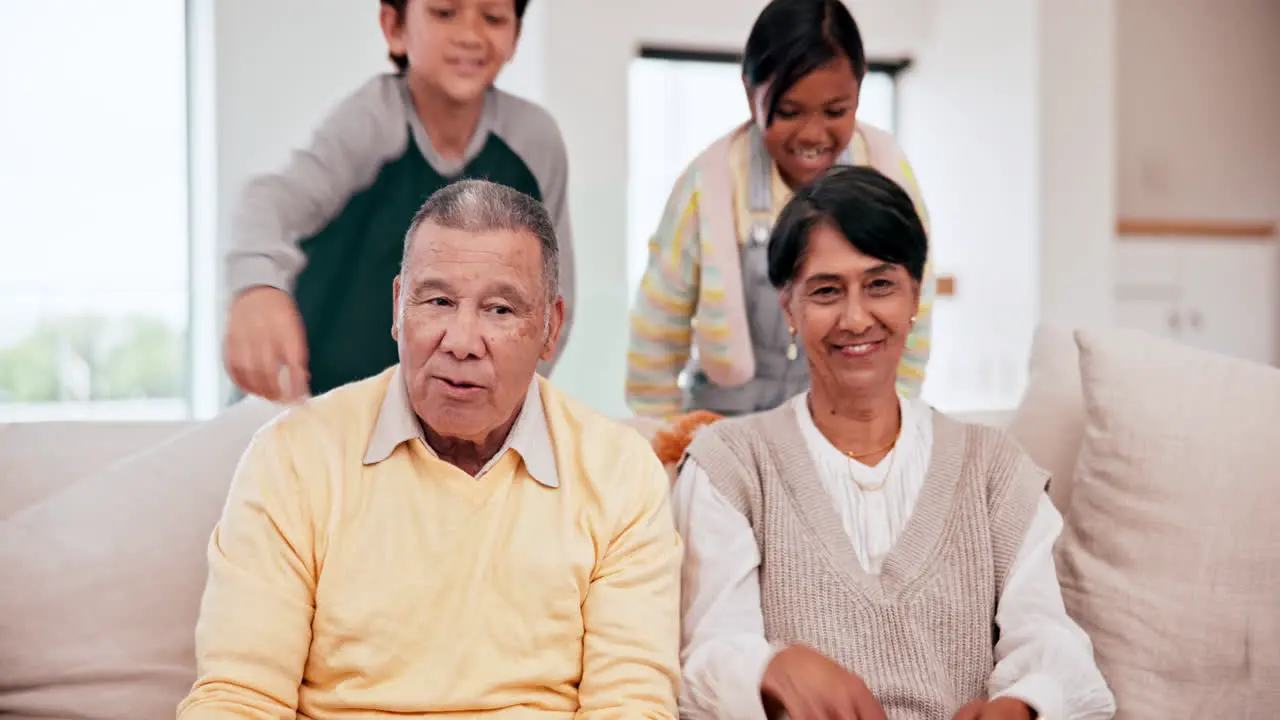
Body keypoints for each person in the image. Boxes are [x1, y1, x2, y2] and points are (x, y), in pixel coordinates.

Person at [179, 181, 679, 719]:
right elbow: (239, 697)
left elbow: (631, 705)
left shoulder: (620, 472)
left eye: (500, 310)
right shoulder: (293, 457)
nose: (461, 342)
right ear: (399, 306)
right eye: (438, 301)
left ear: (550, 328)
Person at [672, 167, 1116, 720]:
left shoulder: (994, 469)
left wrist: (1025, 706)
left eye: (880, 285)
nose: (856, 319)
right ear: (788, 309)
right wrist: (767, 670)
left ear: (914, 297)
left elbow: (1057, 652)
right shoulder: (729, 465)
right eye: (826, 291)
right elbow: (703, 662)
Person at [223, 0, 575, 403]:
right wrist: (257, 287)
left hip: (440, 419)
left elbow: (552, 293)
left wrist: (505, 400)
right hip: (312, 403)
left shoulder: (534, 141)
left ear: (515, 37)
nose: (471, 36)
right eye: (445, 13)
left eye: (493, 18)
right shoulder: (372, 120)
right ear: (394, 26)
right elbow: (268, 201)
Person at [626, 0, 933, 419]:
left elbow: (917, 314)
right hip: (728, 421)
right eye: (788, 112)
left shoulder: (886, 169)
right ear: (749, 90)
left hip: (844, 423)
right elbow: (657, 329)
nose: (812, 133)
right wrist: (658, 437)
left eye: (836, 111)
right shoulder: (711, 182)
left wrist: (895, 420)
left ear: (860, 90)